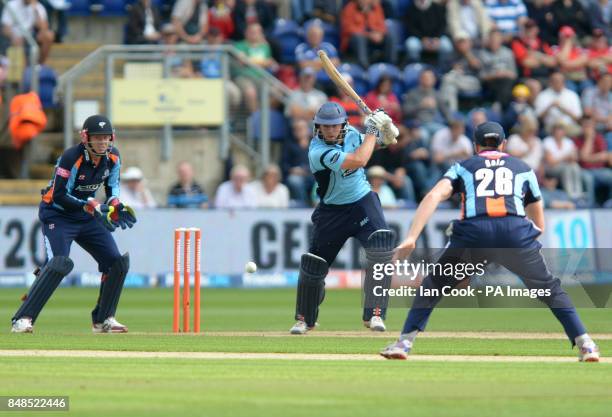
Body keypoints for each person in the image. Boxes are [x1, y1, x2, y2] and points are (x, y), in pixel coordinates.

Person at [381, 121, 600, 362]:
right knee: (550, 289)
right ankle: (585, 344)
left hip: (475, 232)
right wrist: (524, 241)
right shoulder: (524, 168)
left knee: (432, 285)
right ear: (504, 144)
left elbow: (434, 195)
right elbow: (538, 219)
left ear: (476, 146)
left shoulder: (463, 166)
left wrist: (412, 237)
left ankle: (404, 343)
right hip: (515, 231)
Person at [11, 115, 137, 334]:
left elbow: (112, 187)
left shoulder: (114, 157)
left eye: (106, 137)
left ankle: (103, 320)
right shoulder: (71, 157)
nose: (102, 142)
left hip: (86, 217)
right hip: (57, 215)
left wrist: (114, 204)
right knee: (59, 263)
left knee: (116, 263)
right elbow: (60, 195)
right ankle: (22, 319)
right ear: (86, 138)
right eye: (97, 138)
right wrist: (94, 206)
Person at [289, 102, 399, 335]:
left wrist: (387, 133)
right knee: (314, 265)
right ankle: (304, 319)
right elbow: (359, 160)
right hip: (332, 211)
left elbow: (374, 146)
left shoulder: (351, 134)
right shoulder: (317, 151)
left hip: (362, 202)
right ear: (317, 127)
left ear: (343, 124)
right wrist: (373, 130)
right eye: (325, 126)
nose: (330, 130)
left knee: (381, 246)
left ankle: (375, 314)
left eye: (334, 126)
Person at [340, 0, 395, 68]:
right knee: (359, 38)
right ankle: (364, 66)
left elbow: (382, 25)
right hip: (354, 39)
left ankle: (390, 65)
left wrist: (379, 33)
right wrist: (368, 34)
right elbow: (348, 28)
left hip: (373, 37)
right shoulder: (349, 8)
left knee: (389, 37)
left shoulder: (376, 7)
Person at [1, 0, 55, 64]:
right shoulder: (12, 5)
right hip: (14, 36)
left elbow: (44, 29)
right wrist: (13, 36)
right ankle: (24, 69)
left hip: (30, 36)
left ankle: (39, 65)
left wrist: (36, 11)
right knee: (18, 41)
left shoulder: (38, 7)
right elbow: (5, 28)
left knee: (49, 36)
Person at [403, 0, 452, 65]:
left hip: (436, 39)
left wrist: (437, 38)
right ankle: (416, 66)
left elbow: (442, 25)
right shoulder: (411, 9)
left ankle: (443, 67)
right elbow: (410, 28)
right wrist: (422, 39)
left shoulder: (437, 8)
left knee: (446, 46)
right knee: (412, 45)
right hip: (419, 39)